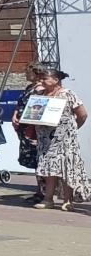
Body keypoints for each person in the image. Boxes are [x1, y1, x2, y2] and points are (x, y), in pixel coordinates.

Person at [27, 60, 88, 210]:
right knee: (48, 169)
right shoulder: (39, 94)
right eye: (40, 78)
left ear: (56, 80)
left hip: (65, 139)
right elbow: (32, 113)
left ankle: (68, 200)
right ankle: (48, 199)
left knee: (66, 168)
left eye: (44, 78)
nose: (41, 81)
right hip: (46, 139)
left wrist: (72, 129)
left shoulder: (67, 94)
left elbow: (82, 114)